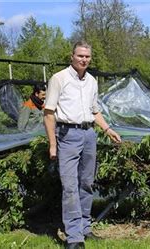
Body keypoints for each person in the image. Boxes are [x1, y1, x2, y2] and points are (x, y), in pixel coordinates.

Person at [43, 41, 122, 249]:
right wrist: (53, 144)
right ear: (72, 56)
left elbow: (94, 111)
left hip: (88, 134)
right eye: (80, 56)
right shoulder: (59, 79)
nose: (84, 60)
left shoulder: (92, 82)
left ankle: (85, 228)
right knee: (69, 187)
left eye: (87, 57)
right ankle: (74, 237)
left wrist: (107, 129)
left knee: (86, 183)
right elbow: (49, 113)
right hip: (67, 135)